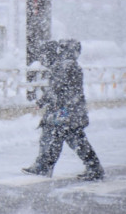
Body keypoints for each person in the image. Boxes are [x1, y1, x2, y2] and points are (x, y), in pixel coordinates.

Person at [22, 39, 104, 181]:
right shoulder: (71, 65)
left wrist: (42, 101)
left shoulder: (63, 66)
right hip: (71, 110)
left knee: (55, 136)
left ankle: (44, 166)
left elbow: (56, 88)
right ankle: (94, 168)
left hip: (64, 111)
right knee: (70, 139)